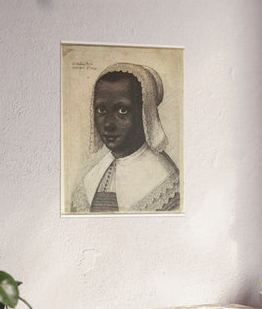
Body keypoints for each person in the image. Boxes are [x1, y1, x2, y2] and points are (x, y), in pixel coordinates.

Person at [71, 62, 180, 213]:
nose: (108, 124)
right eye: (101, 110)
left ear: (145, 114)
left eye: (122, 110)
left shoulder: (165, 184)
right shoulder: (93, 176)